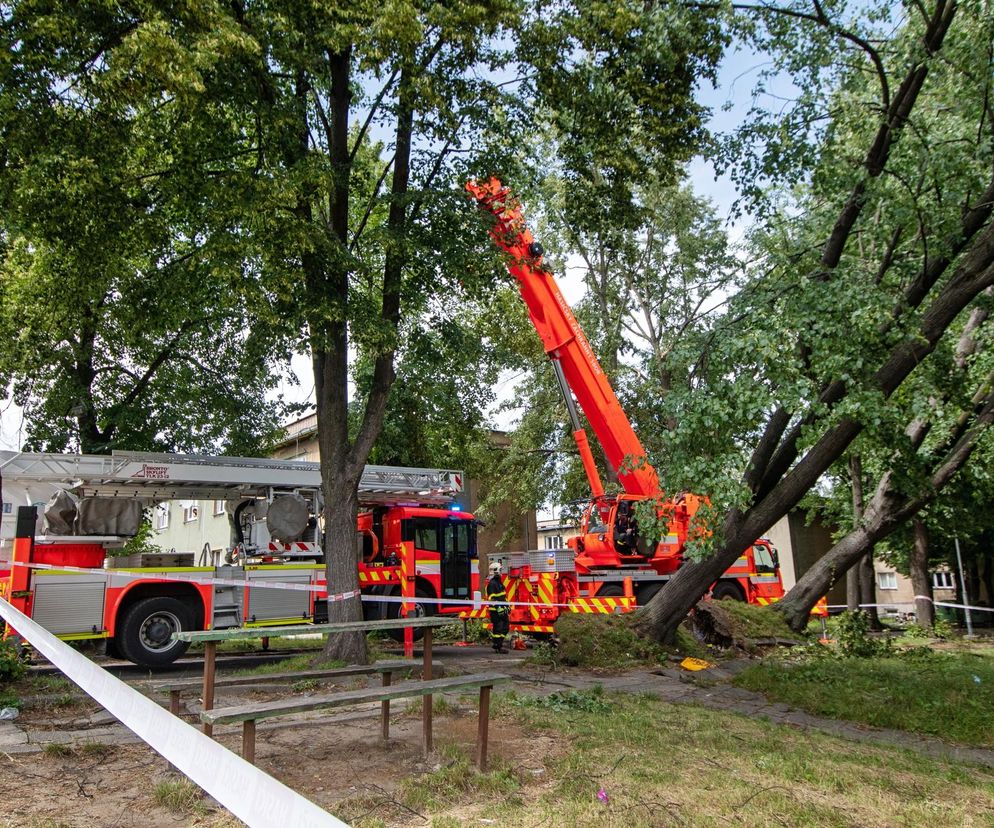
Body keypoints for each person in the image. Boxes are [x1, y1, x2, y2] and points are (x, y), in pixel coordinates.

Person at [485, 560, 509, 654]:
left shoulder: (499, 583)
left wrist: (507, 606)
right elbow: (492, 598)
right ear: (497, 571)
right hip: (496, 610)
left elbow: (503, 596)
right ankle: (498, 646)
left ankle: (498, 644)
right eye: (500, 570)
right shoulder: (492, 584)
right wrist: (499, 608)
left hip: (502, 609)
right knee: (498, 628)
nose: (502, 573)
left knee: (505, 627)